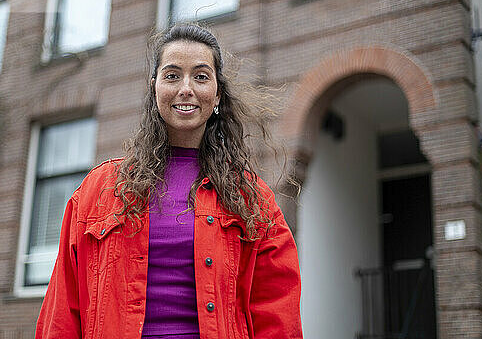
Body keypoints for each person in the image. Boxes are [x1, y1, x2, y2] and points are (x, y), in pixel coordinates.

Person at [35, 23, 303, 338]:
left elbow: (278, 315)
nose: (185, 88)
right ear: (154, 89)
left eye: (201, 76)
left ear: (216, 94)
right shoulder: (99, 189)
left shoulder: (252, 198)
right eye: (172, 75)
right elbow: (63, 311)